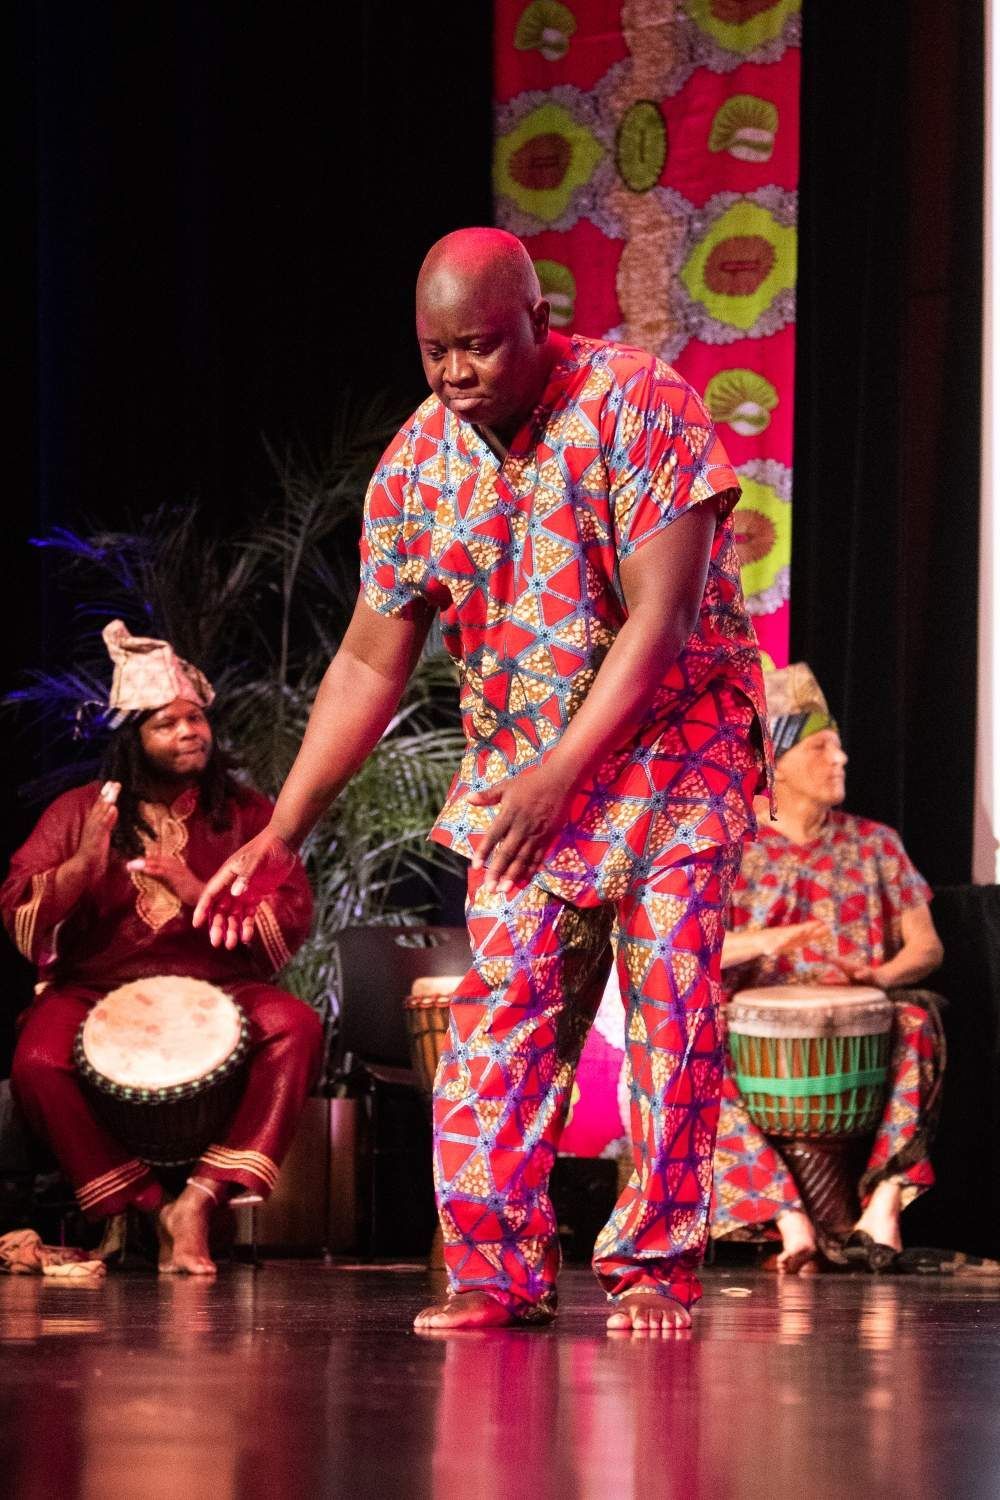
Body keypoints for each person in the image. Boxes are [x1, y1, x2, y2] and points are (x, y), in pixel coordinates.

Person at [195, 227, 772, 1332]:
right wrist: (283, 831)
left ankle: (654, 1267)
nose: (457, 374)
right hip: (525, 777)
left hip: (673, 754)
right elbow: (370, 658)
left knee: (672, 1017)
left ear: (539, 322)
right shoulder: (416, 466)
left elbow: (666, 616)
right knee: (498, 1021)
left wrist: (566, 768)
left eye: (481, 348)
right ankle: (498, 1275)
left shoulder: (638, 403)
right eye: (434, 352)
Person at [2, 620, 322, 1274]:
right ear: (132, 741)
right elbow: (17, 902)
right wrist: (81, 867)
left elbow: (290, 906)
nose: (189, 732)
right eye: (167, 724)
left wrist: (199, 888)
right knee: (35, 1060)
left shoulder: (245, 814)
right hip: (93, 992)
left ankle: (200, 1200)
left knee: (296, 1025)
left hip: (219, 987)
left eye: (196, 718)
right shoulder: (80, 812)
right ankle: (148, 1207)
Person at [711, 662, 945, 1272]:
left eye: (839, 748)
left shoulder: (876, 843)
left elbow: (927, 948)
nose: (839, 760)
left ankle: (885, 1203)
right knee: (686, 1046)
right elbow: (698, 948)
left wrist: (880, 977)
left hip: (861, 1017)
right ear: (778, 763)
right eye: (821, 748)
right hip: (750, 1028)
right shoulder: (731, 847)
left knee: (919, 1020)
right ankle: (788, 1219)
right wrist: (775, 937)